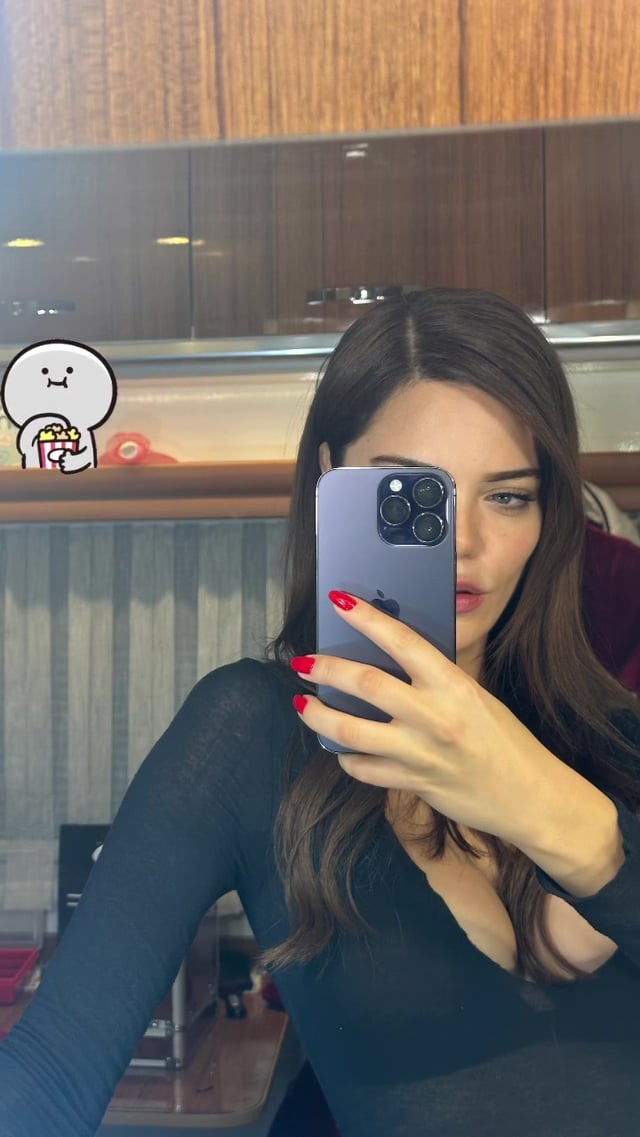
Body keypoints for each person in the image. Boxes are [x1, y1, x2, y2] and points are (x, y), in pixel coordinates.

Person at [0, 288, 639, 1137]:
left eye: (509, 496)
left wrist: (557, 818)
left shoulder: (618, 735)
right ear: (332, 479)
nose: (465, 543)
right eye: (413, 495)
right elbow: (51, 1067)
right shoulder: (254, 733)